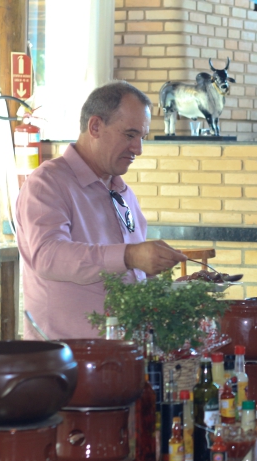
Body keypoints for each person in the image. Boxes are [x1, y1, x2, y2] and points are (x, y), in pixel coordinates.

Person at [16, 81, 188, 339]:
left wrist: (173, 290)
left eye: (142, 138)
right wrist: (130, 255)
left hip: (123, 351)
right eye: (130, 135)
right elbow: (48, 256)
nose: (138, 149)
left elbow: (130, 276)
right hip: (66, 356)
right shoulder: (47, 183)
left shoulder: (123, 193)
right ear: (95, 126)